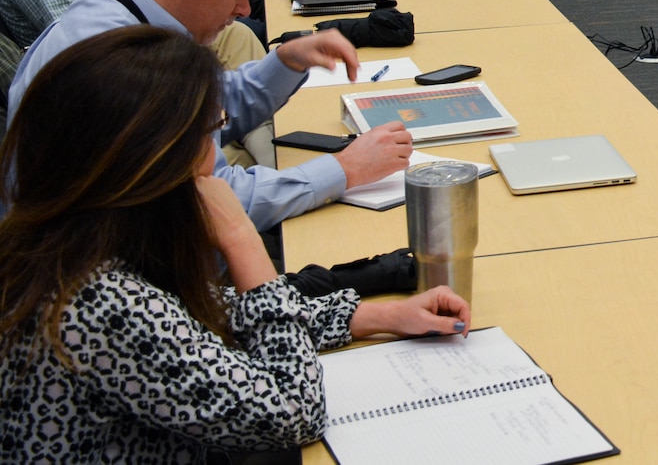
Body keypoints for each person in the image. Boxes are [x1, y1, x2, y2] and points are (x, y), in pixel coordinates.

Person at [0, 26, 468, 460]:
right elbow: (294, 411)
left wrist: (378, 316)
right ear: (153, 159)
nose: (216, 153)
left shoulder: (65, 247)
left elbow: (207, 315)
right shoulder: (98, 304)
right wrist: (241, 237)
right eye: (210, 132)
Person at [7, 0, 413, 229]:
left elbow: (205, 109)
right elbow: (220, 202)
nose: (241, 8)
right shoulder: (126, 58)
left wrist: (285, 62)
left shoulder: (114, 11)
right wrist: (344, 168)